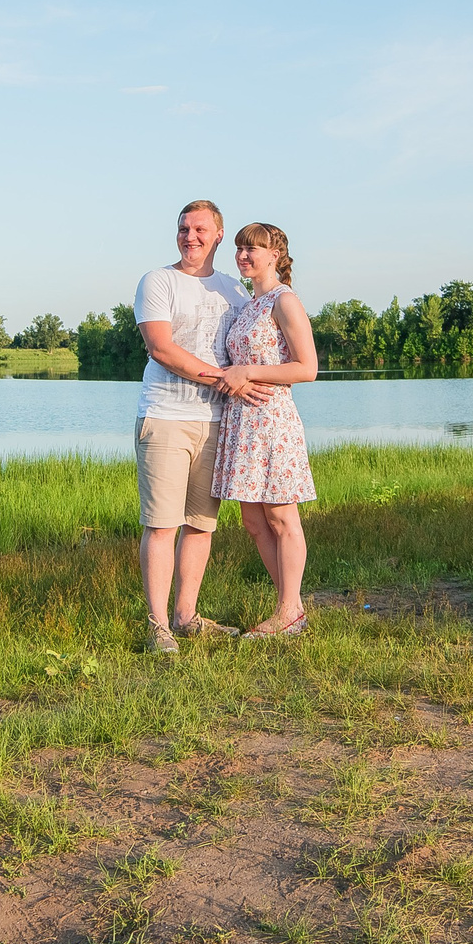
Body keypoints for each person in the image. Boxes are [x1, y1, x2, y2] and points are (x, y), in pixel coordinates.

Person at [131, 199, 267, 655]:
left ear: (218, 235)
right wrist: (225, 379)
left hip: (216, 421)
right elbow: (161, 348)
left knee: (201, 524)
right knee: (161, 525)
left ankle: (186, 617)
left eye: (200, 229)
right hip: (165, 417)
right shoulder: (158, 281)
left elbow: (254, 344)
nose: (190, 237)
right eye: (183, 229)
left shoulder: (234, 289)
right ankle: (158, 627)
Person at [211, 222, 319, 638]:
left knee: (281, 516)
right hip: (242, 422)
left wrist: (249, 372)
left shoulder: (284, 300)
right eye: (239, 248)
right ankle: (290, 608)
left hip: (273, 421)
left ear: (275, 255)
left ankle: (289, 610)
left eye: (252, 248)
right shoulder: (247, 304)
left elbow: (306, 368)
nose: (243, 255)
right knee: (253, 521)